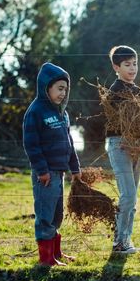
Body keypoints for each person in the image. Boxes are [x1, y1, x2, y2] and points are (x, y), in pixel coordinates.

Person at [83, 45, 140, 254]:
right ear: (116, 67)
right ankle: (119, 242)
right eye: (127, 64)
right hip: (119, 144)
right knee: (128, 195)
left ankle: (127, 239)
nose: (132, 68)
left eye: (135, 63)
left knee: (133, 196)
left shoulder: (139, 91)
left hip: (137, 145)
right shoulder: (115, 92)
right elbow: (118, 122)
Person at [23, 62, 81, 266]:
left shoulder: (62, 113)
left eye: (65, 89)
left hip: (60, 173)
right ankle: (45, 259)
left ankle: (56, 253)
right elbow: (31, 144)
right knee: (45, 215)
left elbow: (69, 143)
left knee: (57, 215)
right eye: (59, 88)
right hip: (45, 175)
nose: (63, 93)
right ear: (46, 87)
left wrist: (75, 167)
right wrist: (42, 170)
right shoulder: (36, 111)